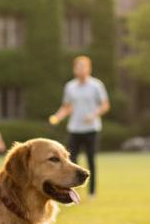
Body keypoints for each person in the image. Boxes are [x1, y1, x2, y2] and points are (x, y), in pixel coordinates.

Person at [47, 55, 110, 197]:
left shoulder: (96, 85)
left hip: (91, 129)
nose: (81, 69)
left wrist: (93, 115)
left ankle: (92, 192)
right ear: (74, 69)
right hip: (74, 129)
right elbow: (67, 107)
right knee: (70, 160)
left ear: (89, 68)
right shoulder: (70, 86)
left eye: (84, 66)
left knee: (90, 160)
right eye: (78, 66)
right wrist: (57, 117)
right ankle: (71, 189)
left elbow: (105, 105)